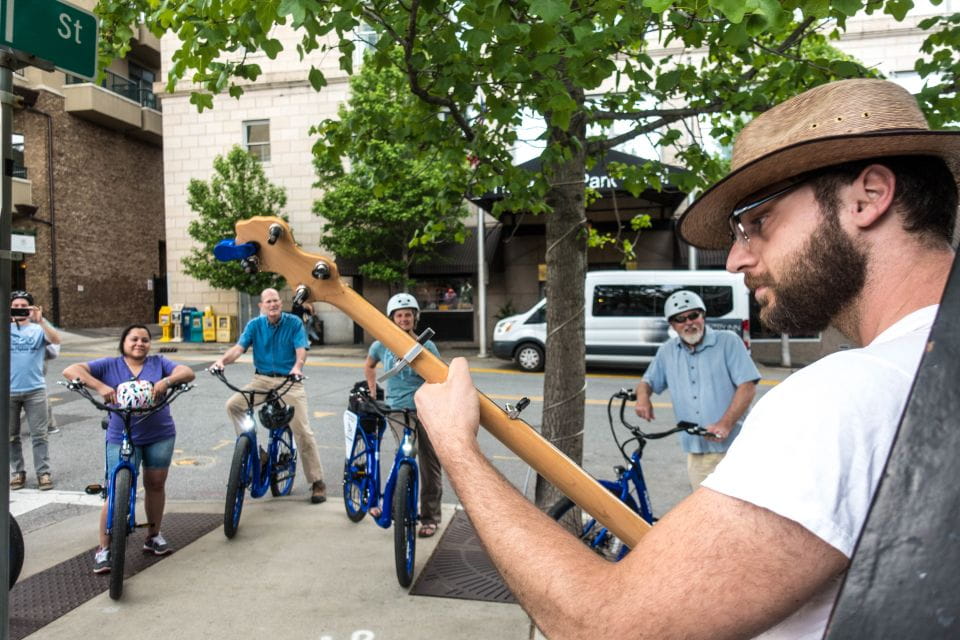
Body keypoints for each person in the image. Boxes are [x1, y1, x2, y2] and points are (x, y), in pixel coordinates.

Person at [413, 78, 959, 638]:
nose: (736, 260)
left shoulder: (843, 399)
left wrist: (458, 448)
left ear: (868, 196)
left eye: (757, 222)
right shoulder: (923, 375)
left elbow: (603, 626)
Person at [62, 325, 195, 573]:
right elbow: (71, 370)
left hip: (159, 434)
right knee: (115, 489)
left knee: (156, 484)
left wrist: (166, 381)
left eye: (145, 340)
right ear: (123, 342)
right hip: (121, 435)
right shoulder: (109, 365)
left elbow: (187, 372)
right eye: (134, 339)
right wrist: (100, 387)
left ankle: (153, 535)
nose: (139, 343)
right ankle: (104, 548)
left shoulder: (158, 363)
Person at [634, 290, 760, 489]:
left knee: (743, 504)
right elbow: (646, 382)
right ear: (672, 324)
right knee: (704, 506)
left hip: (735, 448)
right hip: (697, 452)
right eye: (680, 319)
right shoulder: (667, 351)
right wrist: (643, 399)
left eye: (693, 315)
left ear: (703, 316)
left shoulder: (728, 342)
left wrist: (725, 424)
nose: (688, 323)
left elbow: (747, 386)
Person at [212, 288, 327, 503]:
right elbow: (238, 349)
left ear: (280, 303)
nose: (272, 304)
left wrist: (297, 367)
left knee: (302, 431)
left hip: (289, 380)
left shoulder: (293, 323)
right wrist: (222, 361)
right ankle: (254, 453)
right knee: (233, 405)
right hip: (262, 380)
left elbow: (301, 350)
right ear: (261, 306)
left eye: (275, 301)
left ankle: (317, 481)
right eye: (268, 302)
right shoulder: (254, 325)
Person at [364, 293, 443, 537]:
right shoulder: (382, 344)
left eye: (408, 315)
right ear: (392, 318)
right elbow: (369, 365)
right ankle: (397, 506)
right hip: (397, 409)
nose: (404, 319)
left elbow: (439, 376)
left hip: (425, 408)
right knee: (408, 452)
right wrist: (373, 390)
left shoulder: (426, 345)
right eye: (399, 315)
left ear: (414, 317)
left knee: (430, 465)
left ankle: (430, 517)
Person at [10, 290, 60, 491]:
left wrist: (41, 320)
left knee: (39, 435)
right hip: (8, 391)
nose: (20, 309)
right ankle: (17, 472)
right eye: (16, 306)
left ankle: (43, 473)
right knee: (11, 436)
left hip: (35, 390)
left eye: (24, 306)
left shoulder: (38, 329)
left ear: (31, 308)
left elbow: (56, 341)